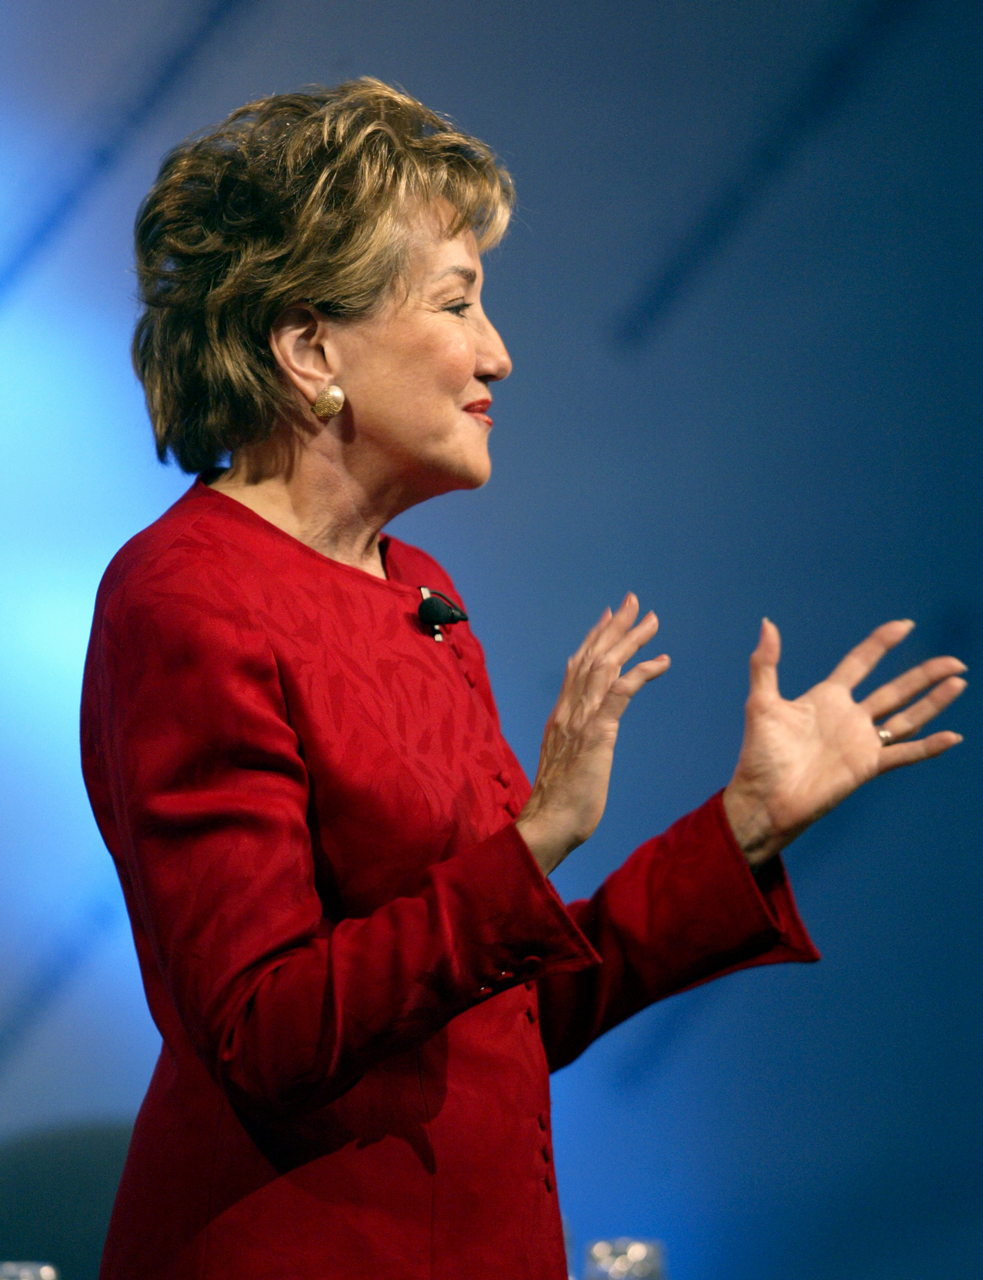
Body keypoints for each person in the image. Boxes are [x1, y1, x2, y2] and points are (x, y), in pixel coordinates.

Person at [80, 79, 966, 1280]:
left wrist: (740, 828)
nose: (497, 351)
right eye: (456, 301)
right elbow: (264, 1032)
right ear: (307, 348)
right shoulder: (186, 597)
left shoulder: (420, 587)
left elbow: (505, 1011)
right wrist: (538, 837)